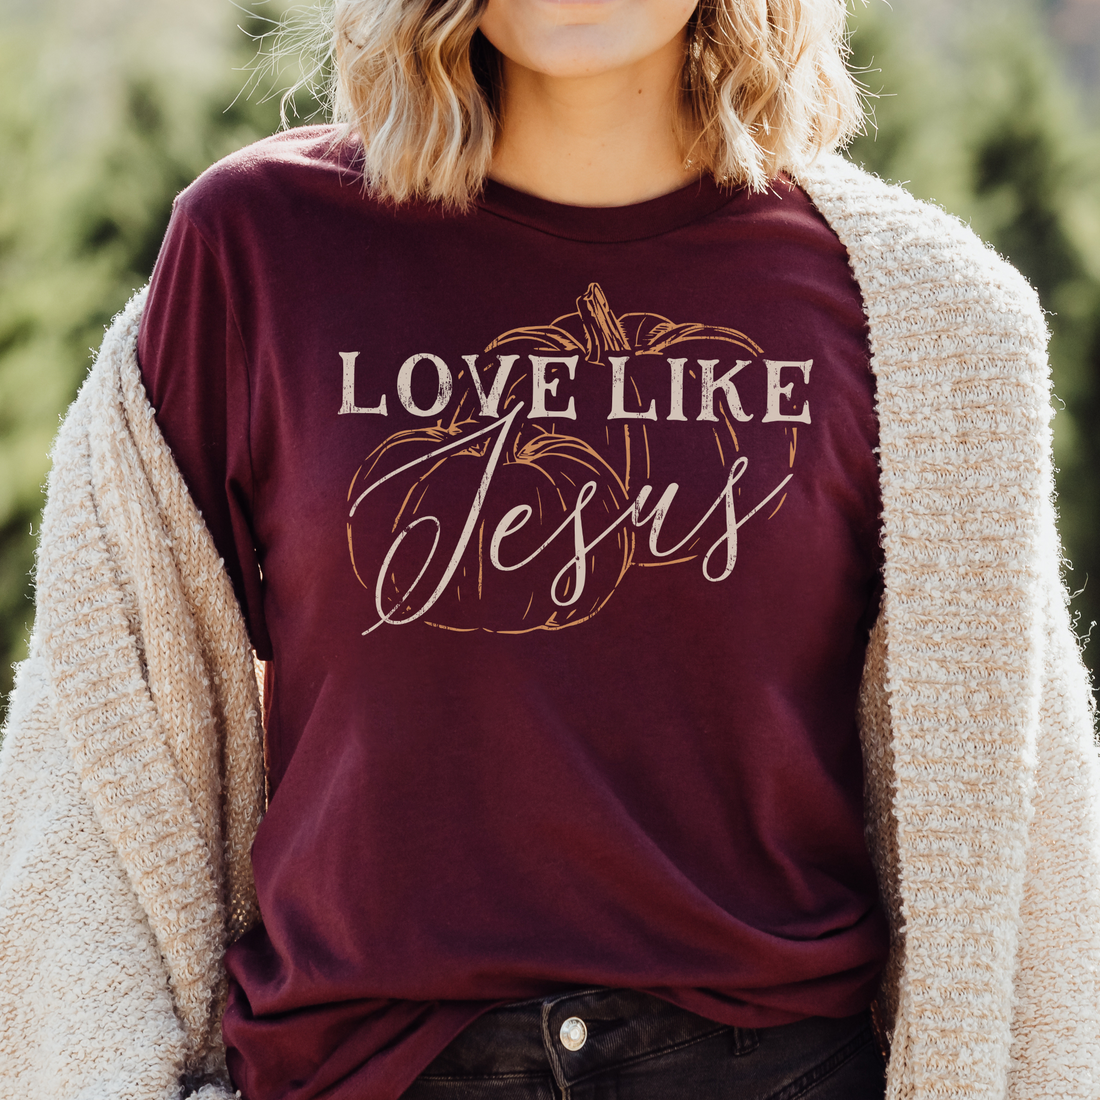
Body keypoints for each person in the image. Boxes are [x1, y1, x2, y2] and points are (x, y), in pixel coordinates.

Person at [1, 0, 1098, 1097]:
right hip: (368, 1068)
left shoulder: (922, 319)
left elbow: (1023, 851)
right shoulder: (260, 249)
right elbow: (102, 759)